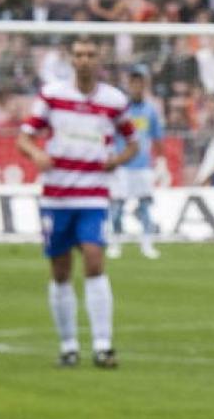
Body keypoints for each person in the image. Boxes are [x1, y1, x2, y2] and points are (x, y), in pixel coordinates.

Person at [16, 40, 139, 369]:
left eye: (90, 55)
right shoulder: (53, 95)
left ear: (99, 60)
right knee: (60, 271)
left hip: (93, 193)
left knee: (95, 260)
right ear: (72, 60)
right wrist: (37, 153)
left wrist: (118, 159)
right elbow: (24, 137)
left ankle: (103, 345)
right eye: (79, 55)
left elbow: (133, 143)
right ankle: (68, 345)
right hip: (56, 195)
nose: (84, 60)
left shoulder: (114, 101)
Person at [109, 66, 164, 261]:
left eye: (140, 82)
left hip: (143, 166)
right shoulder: (121, 110)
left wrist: (161, 161)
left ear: (145, 85)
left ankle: (147, 245)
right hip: (122, 165)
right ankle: (115, 243)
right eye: (133, 82)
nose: (136, 86)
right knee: (116, 207)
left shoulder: (151, 110)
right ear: (129, 84)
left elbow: (157, 137)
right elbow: (110, 134)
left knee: (144, 207)